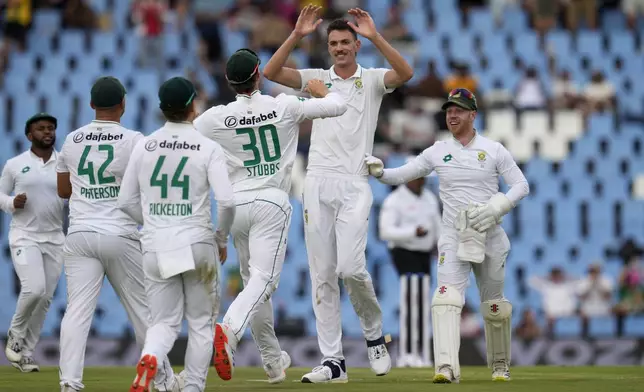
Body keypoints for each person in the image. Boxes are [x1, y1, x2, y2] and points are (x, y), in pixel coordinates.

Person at [263, 6, 413, 382]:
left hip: (354, 180)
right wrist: (296, 35)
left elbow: (406, 73)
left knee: (351, 268)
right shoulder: (315, 77)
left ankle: (373, 334)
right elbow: (270, 72)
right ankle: (333, 362)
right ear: (328, 47)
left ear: (357, 45)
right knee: (323, 275)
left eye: (346, 42)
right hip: (316, 181)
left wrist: (377, 36)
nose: (340, 48)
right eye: (334, 43)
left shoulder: (374, 79)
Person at [193, 48, 348, 383]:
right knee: (264, 281)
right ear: (259, 73)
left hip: (235, 206)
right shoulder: (284, 105)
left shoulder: (214, 118)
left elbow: (184, 136)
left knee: (253, 283)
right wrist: (324, 91)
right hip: (271, 201)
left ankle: (273, 363)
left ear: (229, 82)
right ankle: (229, 330)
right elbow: (339, 106)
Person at [364, 88, 529, 383]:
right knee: (445, 300)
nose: (452, 115)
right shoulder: (438, 150)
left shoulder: (494, 150)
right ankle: (445, 367)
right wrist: (381, 173)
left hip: (489, 235)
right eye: (449, 110)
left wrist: (496, 207)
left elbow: (520, 185)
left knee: (494, 306)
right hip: (453, 236)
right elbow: (405, 172)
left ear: (473, 115)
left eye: (459, 110)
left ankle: (500, 365)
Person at [56, 77, 178, 392]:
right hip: (120, 233)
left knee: (77, 311)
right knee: (143, 311)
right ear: (123, 104)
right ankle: (163, 382)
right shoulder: (134, 139)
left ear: (91, 104)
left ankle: (69, 383)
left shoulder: (72, 139)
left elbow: (63, 190)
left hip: (80, 233)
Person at [118, 77, 236, 392]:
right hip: (196, 240)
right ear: (192, 106)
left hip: (156, 244)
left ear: (162, 108)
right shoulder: (207, 146)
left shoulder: (145, 144)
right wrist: (221, 238)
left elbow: (125, 201)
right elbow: (226, 201)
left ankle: (151, 356)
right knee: (200, 324)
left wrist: (154, 222)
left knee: (163, 323)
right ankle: (193, 386)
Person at [1, 113, 65, 372]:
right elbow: (0, 194)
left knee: (46, 298)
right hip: (24, 236)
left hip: (55, 239)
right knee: (34, 288)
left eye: (51, 128)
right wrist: (10, 203)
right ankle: (14, 336)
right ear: (30, 135)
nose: (47, 132)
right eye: (41, 129)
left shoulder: (64, 164)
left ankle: (26, 353)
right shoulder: (15, 164)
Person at [379, 171, 441, 368]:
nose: (420, 182)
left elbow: (438, 227)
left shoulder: (429, 198)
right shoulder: (394, 200)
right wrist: (413, 232)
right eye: (417, 178)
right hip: (404, 253)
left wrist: (441, 248)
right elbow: (385, 232)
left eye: (422, 178)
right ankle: (406, 353)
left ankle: (422, 353)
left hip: (424, 255)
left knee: (423, 302)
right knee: (411, 300)